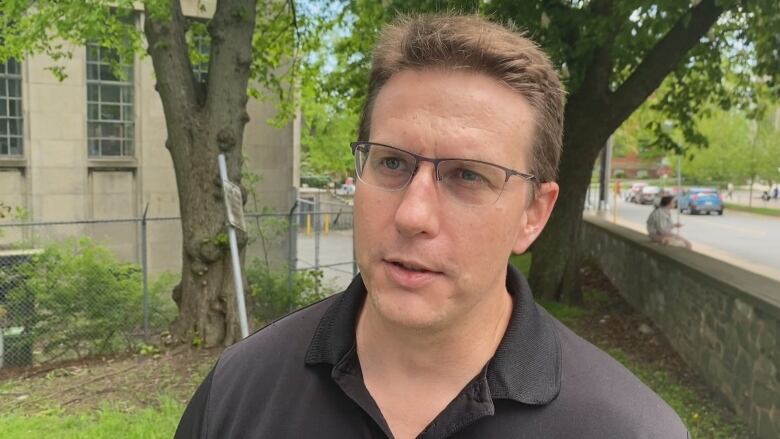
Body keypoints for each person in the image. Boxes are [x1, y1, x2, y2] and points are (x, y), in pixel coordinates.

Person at [175, 14, 688, 439]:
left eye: (467, 175)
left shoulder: (630, 430)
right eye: (393, 164)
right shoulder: (239, 394)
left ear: (534, 214)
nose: (412, 215)